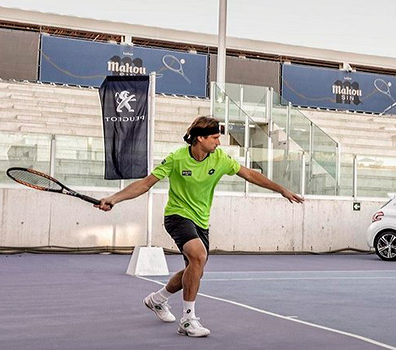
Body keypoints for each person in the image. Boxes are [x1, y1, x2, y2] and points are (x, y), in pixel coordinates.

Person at [95, 116, 304, 337]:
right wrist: (115, 198)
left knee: (195, 270)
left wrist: (281, 189)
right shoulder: (177, 159)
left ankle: (158, 299)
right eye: (214, 138)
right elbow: (146, 183)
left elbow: (250, 174)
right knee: (198, 256)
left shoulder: (220, 159)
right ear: (200, 138)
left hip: (201, 221)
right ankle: (187, 320)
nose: (219, 142)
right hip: (177, 216)